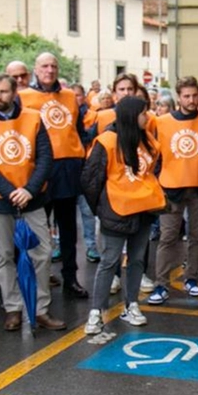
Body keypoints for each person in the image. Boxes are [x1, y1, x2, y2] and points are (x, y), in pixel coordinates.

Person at [0, 74, 65, 331]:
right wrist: (11, 191)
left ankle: (40, 308)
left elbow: (45, 158)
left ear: (14, 93)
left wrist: (29, 190)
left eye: (3, 92)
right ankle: (12, 308)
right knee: (3, 257)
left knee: (42, 253)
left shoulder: (33, 118)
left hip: (32, 199)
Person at [81, 96, 164, 335]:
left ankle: (132, 305)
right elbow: (90, 179)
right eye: (143, 113)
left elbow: (152, 170)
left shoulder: (148, 140)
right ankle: (96, 312)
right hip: (116, 213)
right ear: (130, 115)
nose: (147, 117)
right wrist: (102, 208)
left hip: (143, 211)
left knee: (137, 260)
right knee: (109, 262)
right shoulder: (106, 141)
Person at [21, 53, 89, 298]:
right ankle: (39, 277)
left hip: (68, 167)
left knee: (68, 228)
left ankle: (70, 277)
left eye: (53, 66)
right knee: (39, 227)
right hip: (40, 168)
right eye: (44, 66)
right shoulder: (24, 97)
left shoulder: (70, 96)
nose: (49, 70)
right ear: (36, 69)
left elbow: (78, 130)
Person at [152, 77, 198, 303]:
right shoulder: (162, 122)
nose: (191, 100)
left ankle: (191, 277)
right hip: (171, 187)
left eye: (195, 95)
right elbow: (155, 154)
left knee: (197, 237)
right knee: (168, 237)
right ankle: (161, 283)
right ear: (179, 97)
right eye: (186, 96)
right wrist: (158, 179)